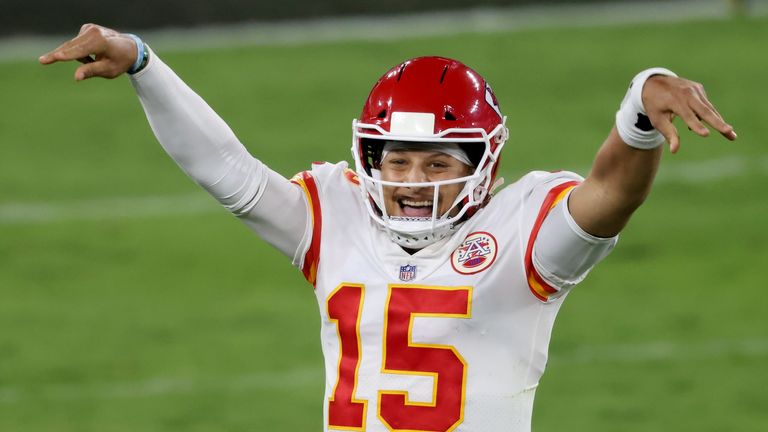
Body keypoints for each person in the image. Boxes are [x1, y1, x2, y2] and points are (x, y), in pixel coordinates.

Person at [40, 24, 736, 431]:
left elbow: (612, 189)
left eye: (437, 162)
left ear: (483, 163)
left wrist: (638, 108)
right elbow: (227, 170)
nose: (410, 180)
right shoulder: (336, 214)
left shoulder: (524, 231)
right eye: (395, 159)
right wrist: (141, 61)